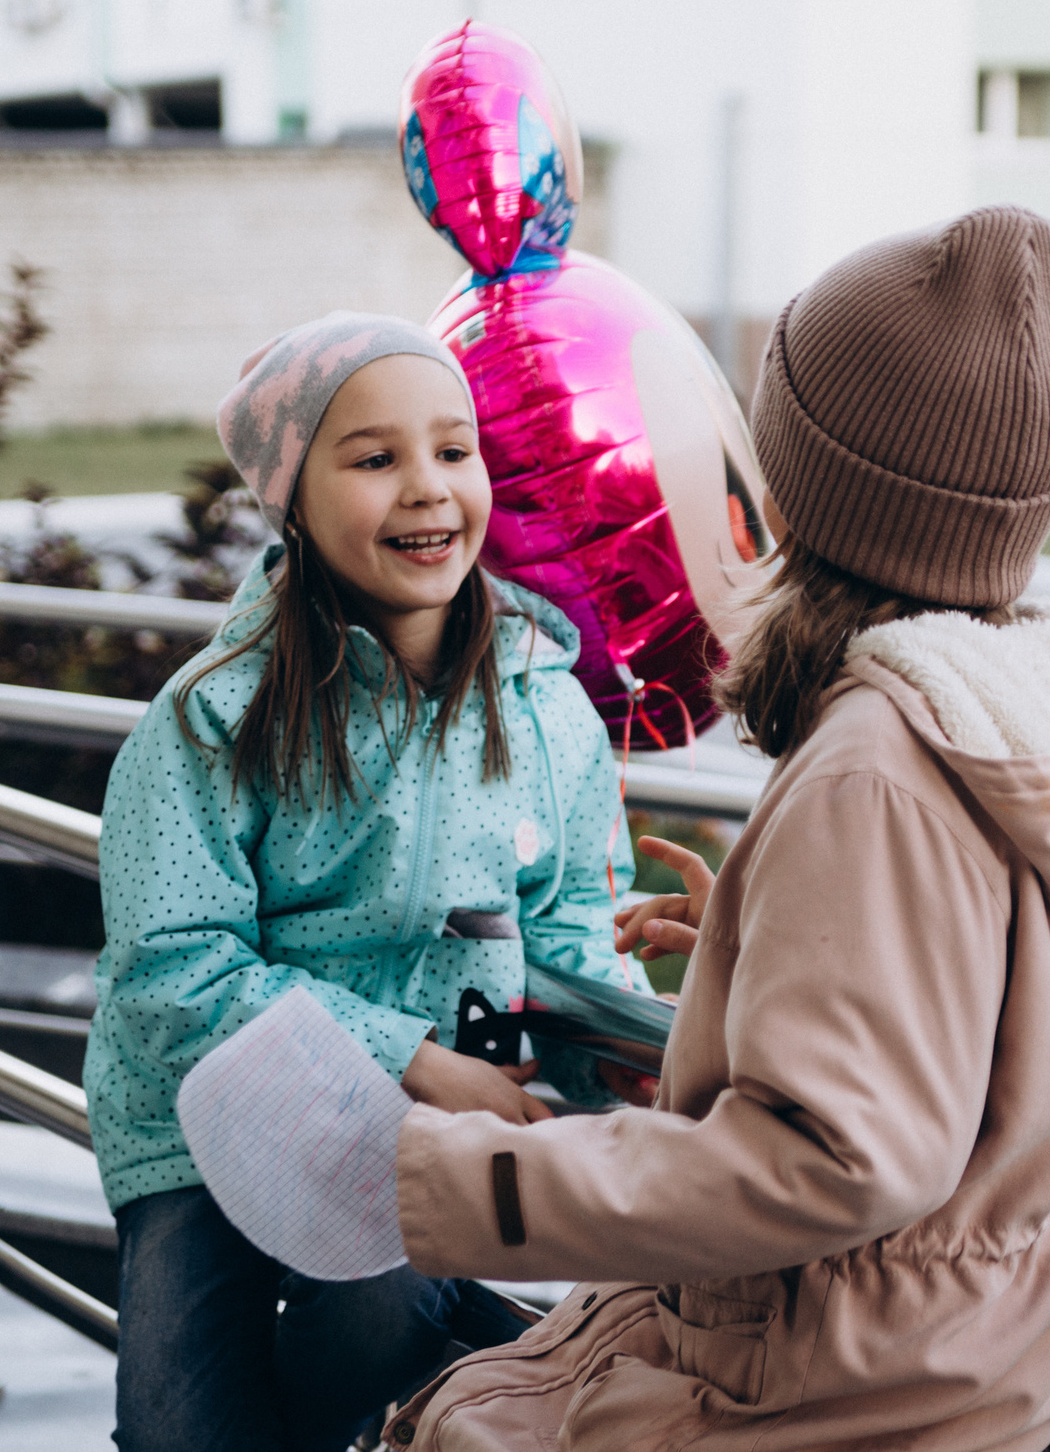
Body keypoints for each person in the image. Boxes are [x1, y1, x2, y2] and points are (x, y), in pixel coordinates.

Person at [380, 206, 1050, 1452]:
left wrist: (468, 1178)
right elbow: (1042, 1017)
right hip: (958, 1354)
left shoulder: (870, 774)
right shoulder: (1042, 706)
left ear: (812, 483)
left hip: (818, 1380)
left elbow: (836, 1159)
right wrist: (768, 960)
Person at [86, 311, 639, 1452]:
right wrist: (414, 1058)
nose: (429, 486)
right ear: (294, 498)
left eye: (454, 449)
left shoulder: (547, 705)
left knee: (379, 1318)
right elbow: (170, 969)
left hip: (422, 1129)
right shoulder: (212, 714)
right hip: (202, 1115)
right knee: (177, 1426)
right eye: (376, 458)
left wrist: (628, 1056)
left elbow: (568, 928)